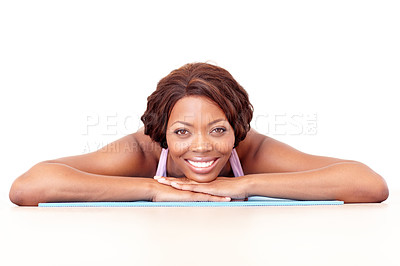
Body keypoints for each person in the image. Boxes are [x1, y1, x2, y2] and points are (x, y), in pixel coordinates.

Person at [9, 63, 389, 206]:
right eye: (182, 132)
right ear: (160, 133)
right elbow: (28, 187)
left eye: (219, 130)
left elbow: (368, 184)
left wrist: (243, 185)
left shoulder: (251, 150)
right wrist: (154, 189)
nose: (202, 145)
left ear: (237, 129)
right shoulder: (141, 153)